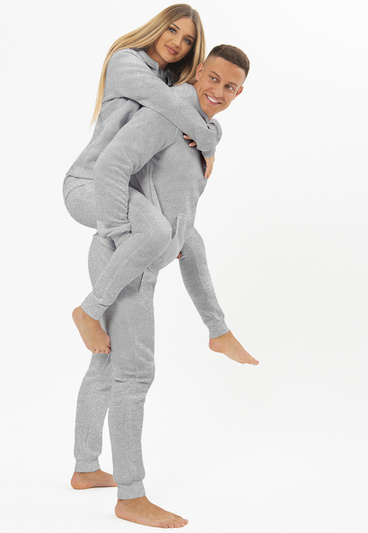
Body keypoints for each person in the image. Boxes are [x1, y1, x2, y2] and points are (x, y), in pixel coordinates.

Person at [70, 45, 259, 529]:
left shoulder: (202, 133)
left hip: (143, 257)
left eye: (230, 87)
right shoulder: (164, 114)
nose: (218, 91)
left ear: (240, 93)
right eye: (212, 78)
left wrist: (175, 237)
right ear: (198, 73)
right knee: (134, 375)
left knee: (107, 365)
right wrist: (122, 235)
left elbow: (181, 214)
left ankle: (86, 468)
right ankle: (131, 497)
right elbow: (112, 166)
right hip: (123, 257)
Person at [63, 4, 222, 355]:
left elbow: (201, 112)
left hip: (130, 191)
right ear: (158, 27)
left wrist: (212, 134)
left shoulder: (172, 82)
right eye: (172, 30)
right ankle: (88, 311)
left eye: (187, 40)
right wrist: (208, 142)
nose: (177, 42)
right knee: (156, 232)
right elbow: (169, 103)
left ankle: (218, 330)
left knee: (190, 238)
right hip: (90, 183)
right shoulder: (126, 62)